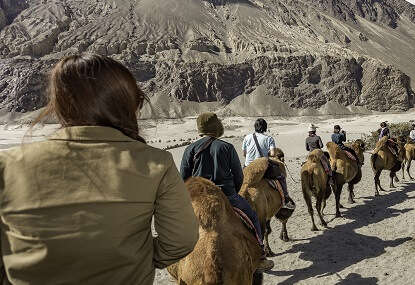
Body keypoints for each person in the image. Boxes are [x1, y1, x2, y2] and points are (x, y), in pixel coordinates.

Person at [0, 54, 198, 284]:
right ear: (127, 106)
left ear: (60, 104)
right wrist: (139, 255)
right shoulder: (156, 162)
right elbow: (181, 240)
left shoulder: (8, 164)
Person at [181, 112, 274, 271]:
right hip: (227, 196)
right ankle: (260, 255)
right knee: (252, 217)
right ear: (217, 127)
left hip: (198, 198)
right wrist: (233, 193)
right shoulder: (226, 147)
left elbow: (184, 178)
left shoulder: (190, 149)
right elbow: (239, 177)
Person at [242, 118, 295, 210]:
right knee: (281, 177)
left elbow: (244, 154)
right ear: (265, 127)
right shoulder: (269, 138)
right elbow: (273, 154)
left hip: (248, 166)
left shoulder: (247, 137)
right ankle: (285, 199)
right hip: (261, 166)